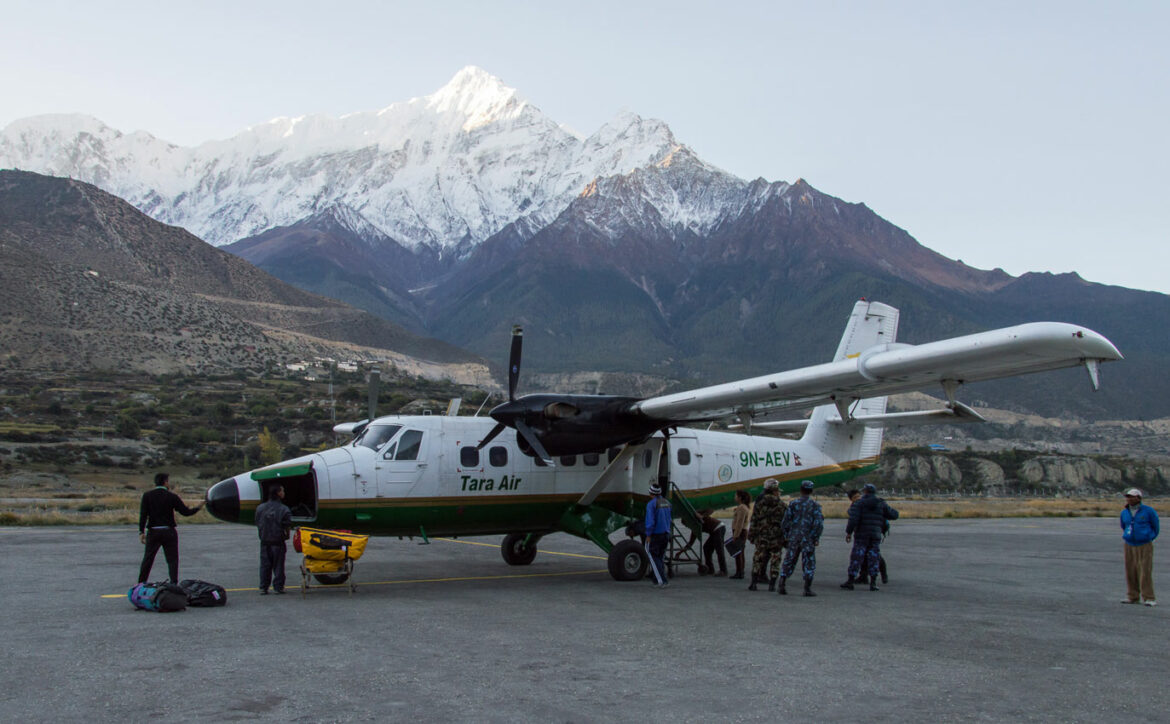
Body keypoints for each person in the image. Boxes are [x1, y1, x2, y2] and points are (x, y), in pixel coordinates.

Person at [137, 472, 203, 583]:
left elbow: (143, 515)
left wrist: (141, 531)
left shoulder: (147, 495)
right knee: (172, 560)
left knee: (148, 559)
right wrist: (198, 507)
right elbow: (185, 512)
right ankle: (173, 583)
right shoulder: (172, 496)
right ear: (165, 482)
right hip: (169, 532)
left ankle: (141, 583)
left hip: (153, 531)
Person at [842, 483, 899, 591]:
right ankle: (873, 583)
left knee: (857, 557)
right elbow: (894, 515)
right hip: (875, 534)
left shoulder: (859, 503)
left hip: (861, 535)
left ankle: (850, 581)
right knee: (874, 557)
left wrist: (849, 532)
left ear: (865, 492)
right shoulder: (881, 503)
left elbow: (853, 519)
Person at [777, 480, 824, 596]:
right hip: (808, 538)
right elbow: (818, 523)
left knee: (789, 560)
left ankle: (782, 583)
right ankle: (807, 588)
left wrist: (786, 536)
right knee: (809, 562)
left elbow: (785, 521)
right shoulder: (815, 505)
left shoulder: (793, 504)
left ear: (801, 490)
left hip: (794, 537)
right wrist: (815, 537)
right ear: (811, 491)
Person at [1120, 487, 1159, 606]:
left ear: (1138, 498)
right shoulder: (1124, 512)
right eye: (1128, 497)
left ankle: (1149, 597)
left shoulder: (1148, 511)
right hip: (1129, 544)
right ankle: (1133, 596)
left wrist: (1148, 537)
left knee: (1145, 571)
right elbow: (1124, 525)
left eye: (1132, 497)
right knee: (1130, 570)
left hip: (1144, 544)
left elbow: (1155, 527)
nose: (1129, 499)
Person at [747, 479, 786, 591]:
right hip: (776, 538)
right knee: (775, 560)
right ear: (774, 491)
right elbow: (786, 523)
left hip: (761, 537)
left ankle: (753, 583)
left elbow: (754, 520)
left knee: (758, 559)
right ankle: (772, 585)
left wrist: (751, 535)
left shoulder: (759, 503)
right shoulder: (782, 505)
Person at [256, 484, 293, 594]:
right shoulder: (284, 509)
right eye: (282, 491)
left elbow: (258, 522)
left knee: (265, 565)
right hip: (278, 541)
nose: (284, 493)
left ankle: (264, 587)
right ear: (278, 493)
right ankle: (278, 587)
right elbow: (287, 525)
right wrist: (286, 535)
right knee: (278, 566)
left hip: (264, 541)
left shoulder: (260, 508)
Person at [846, 488, 888, 585]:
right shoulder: (857, 506)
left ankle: (882, 575)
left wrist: (849, 532)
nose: (857, 499)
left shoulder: (863, 505)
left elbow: (853, 519)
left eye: (858, 496)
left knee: (870, 556)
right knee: (866, 556)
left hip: (866, 535)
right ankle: (864, 576)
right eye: (855, 497)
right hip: (868, 534)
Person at [644, 481, 673, 588]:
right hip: (666, 533)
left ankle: (662, 580)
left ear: (651, 493)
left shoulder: (651, 504)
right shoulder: (667, 503)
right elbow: (669, 519)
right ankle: (657, 579)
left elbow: (650, 521)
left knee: (652, 555)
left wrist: (648, 534)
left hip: (656, 534)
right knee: (660, 557)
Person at [686, 508, 728, 576]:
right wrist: (682, 550)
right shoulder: (694, 527)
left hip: (718, 528)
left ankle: (723, 570)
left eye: (686, 524)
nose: (686, 526)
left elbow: (710, 510)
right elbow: (691, 541)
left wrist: (702, 516)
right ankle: (710, 569)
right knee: (706, 548)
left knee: (719, 549)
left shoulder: (696, 515)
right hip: (713, 532)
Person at [729, 490, 752, 579]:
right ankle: (740, 571)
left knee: (738, 552)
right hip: (742, 531)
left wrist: (736, 535)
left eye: (736, 496)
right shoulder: (743, 507)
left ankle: (739, 572)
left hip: (740, 531)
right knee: (740, 551)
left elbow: (739, 522)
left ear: (740, 498)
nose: (735, 497)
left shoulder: (742, 508)